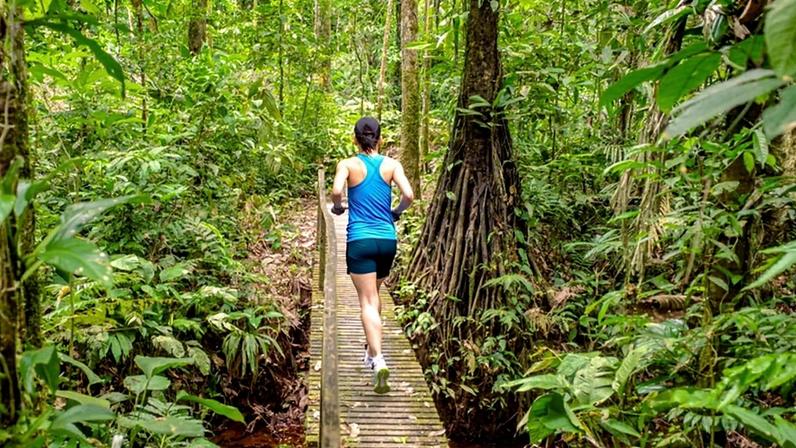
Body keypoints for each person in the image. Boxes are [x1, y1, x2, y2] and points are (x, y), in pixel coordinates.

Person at [330, 117, 414, 394]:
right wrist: (397, 212)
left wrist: (339, 207)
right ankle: (370, 351)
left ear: (355, 138)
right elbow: (409, 195)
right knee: (375, 296)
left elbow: (336, 190)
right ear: (380, 138)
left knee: (366, 301)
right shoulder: (392, 165)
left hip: (360, 240)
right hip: (387, 240)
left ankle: (378, 359)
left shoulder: (347, 164)